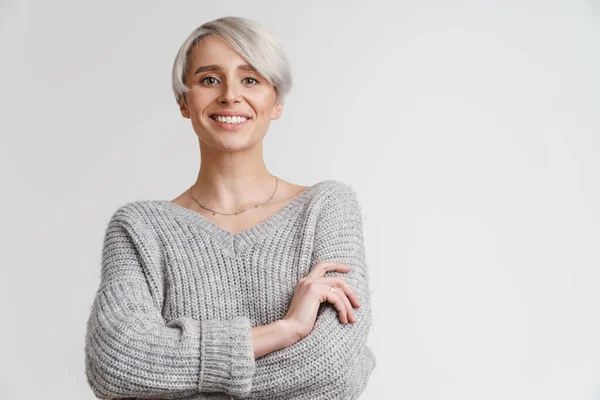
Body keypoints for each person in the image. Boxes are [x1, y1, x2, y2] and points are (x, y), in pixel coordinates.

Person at [84, 16, 376, 400]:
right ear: (184, 102)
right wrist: (286, 330)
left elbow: (332, 368)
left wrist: (175, 376)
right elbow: (116, 363)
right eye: (209, 79)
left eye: (250, 79)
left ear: (277, 102)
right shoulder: (139, 229)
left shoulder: (325, 209)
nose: (230, 95)